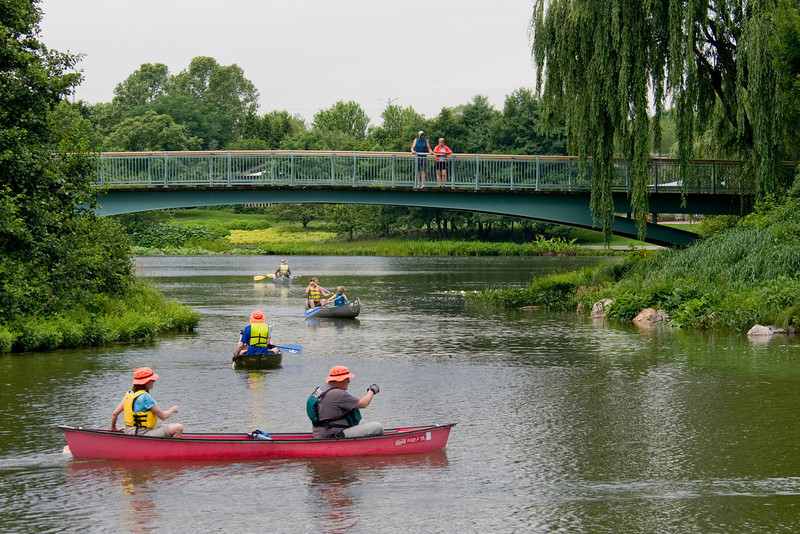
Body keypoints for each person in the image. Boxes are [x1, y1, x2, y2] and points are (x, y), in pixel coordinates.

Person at [310, 365, 383, 439]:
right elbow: (363, 404)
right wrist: (372, 391)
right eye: (347, 379)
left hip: (320, 433)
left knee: (362, 422)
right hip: (333, 435)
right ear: (339, 380)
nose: (349, 381)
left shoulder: (322, 389)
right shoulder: (338, 394)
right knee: (378, 427)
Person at [111, 367, 183, 437]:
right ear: (145, 382)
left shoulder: (129, 394)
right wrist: (172, 409)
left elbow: (115, 414)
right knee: (178, 428)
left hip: (128, 431)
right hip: (142, 433)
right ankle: (167, 449)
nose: (154, 381)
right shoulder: (145, 397)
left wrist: (114, 428)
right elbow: (163, 416)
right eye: (152, 379)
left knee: (170, 425)